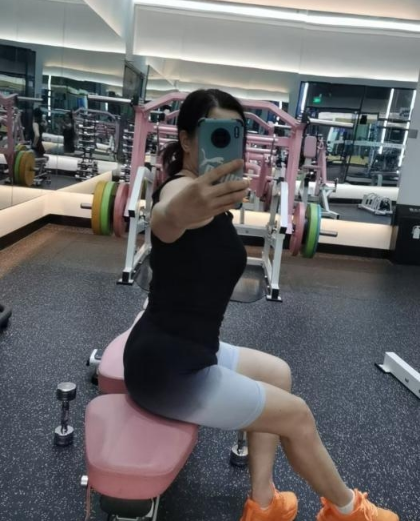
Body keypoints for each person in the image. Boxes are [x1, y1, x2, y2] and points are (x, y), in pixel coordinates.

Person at [123, 89, 398, 521]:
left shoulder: (214, 200)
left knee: (278, 373)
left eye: (234, 132)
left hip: (188, 349)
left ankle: (263, 503)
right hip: (167, 371)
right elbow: (166, 218)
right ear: (187, 140)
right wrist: (176, 211)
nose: (225, 140)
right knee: (298, 417)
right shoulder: (182, 191)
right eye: (213, 131)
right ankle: (349, 511)